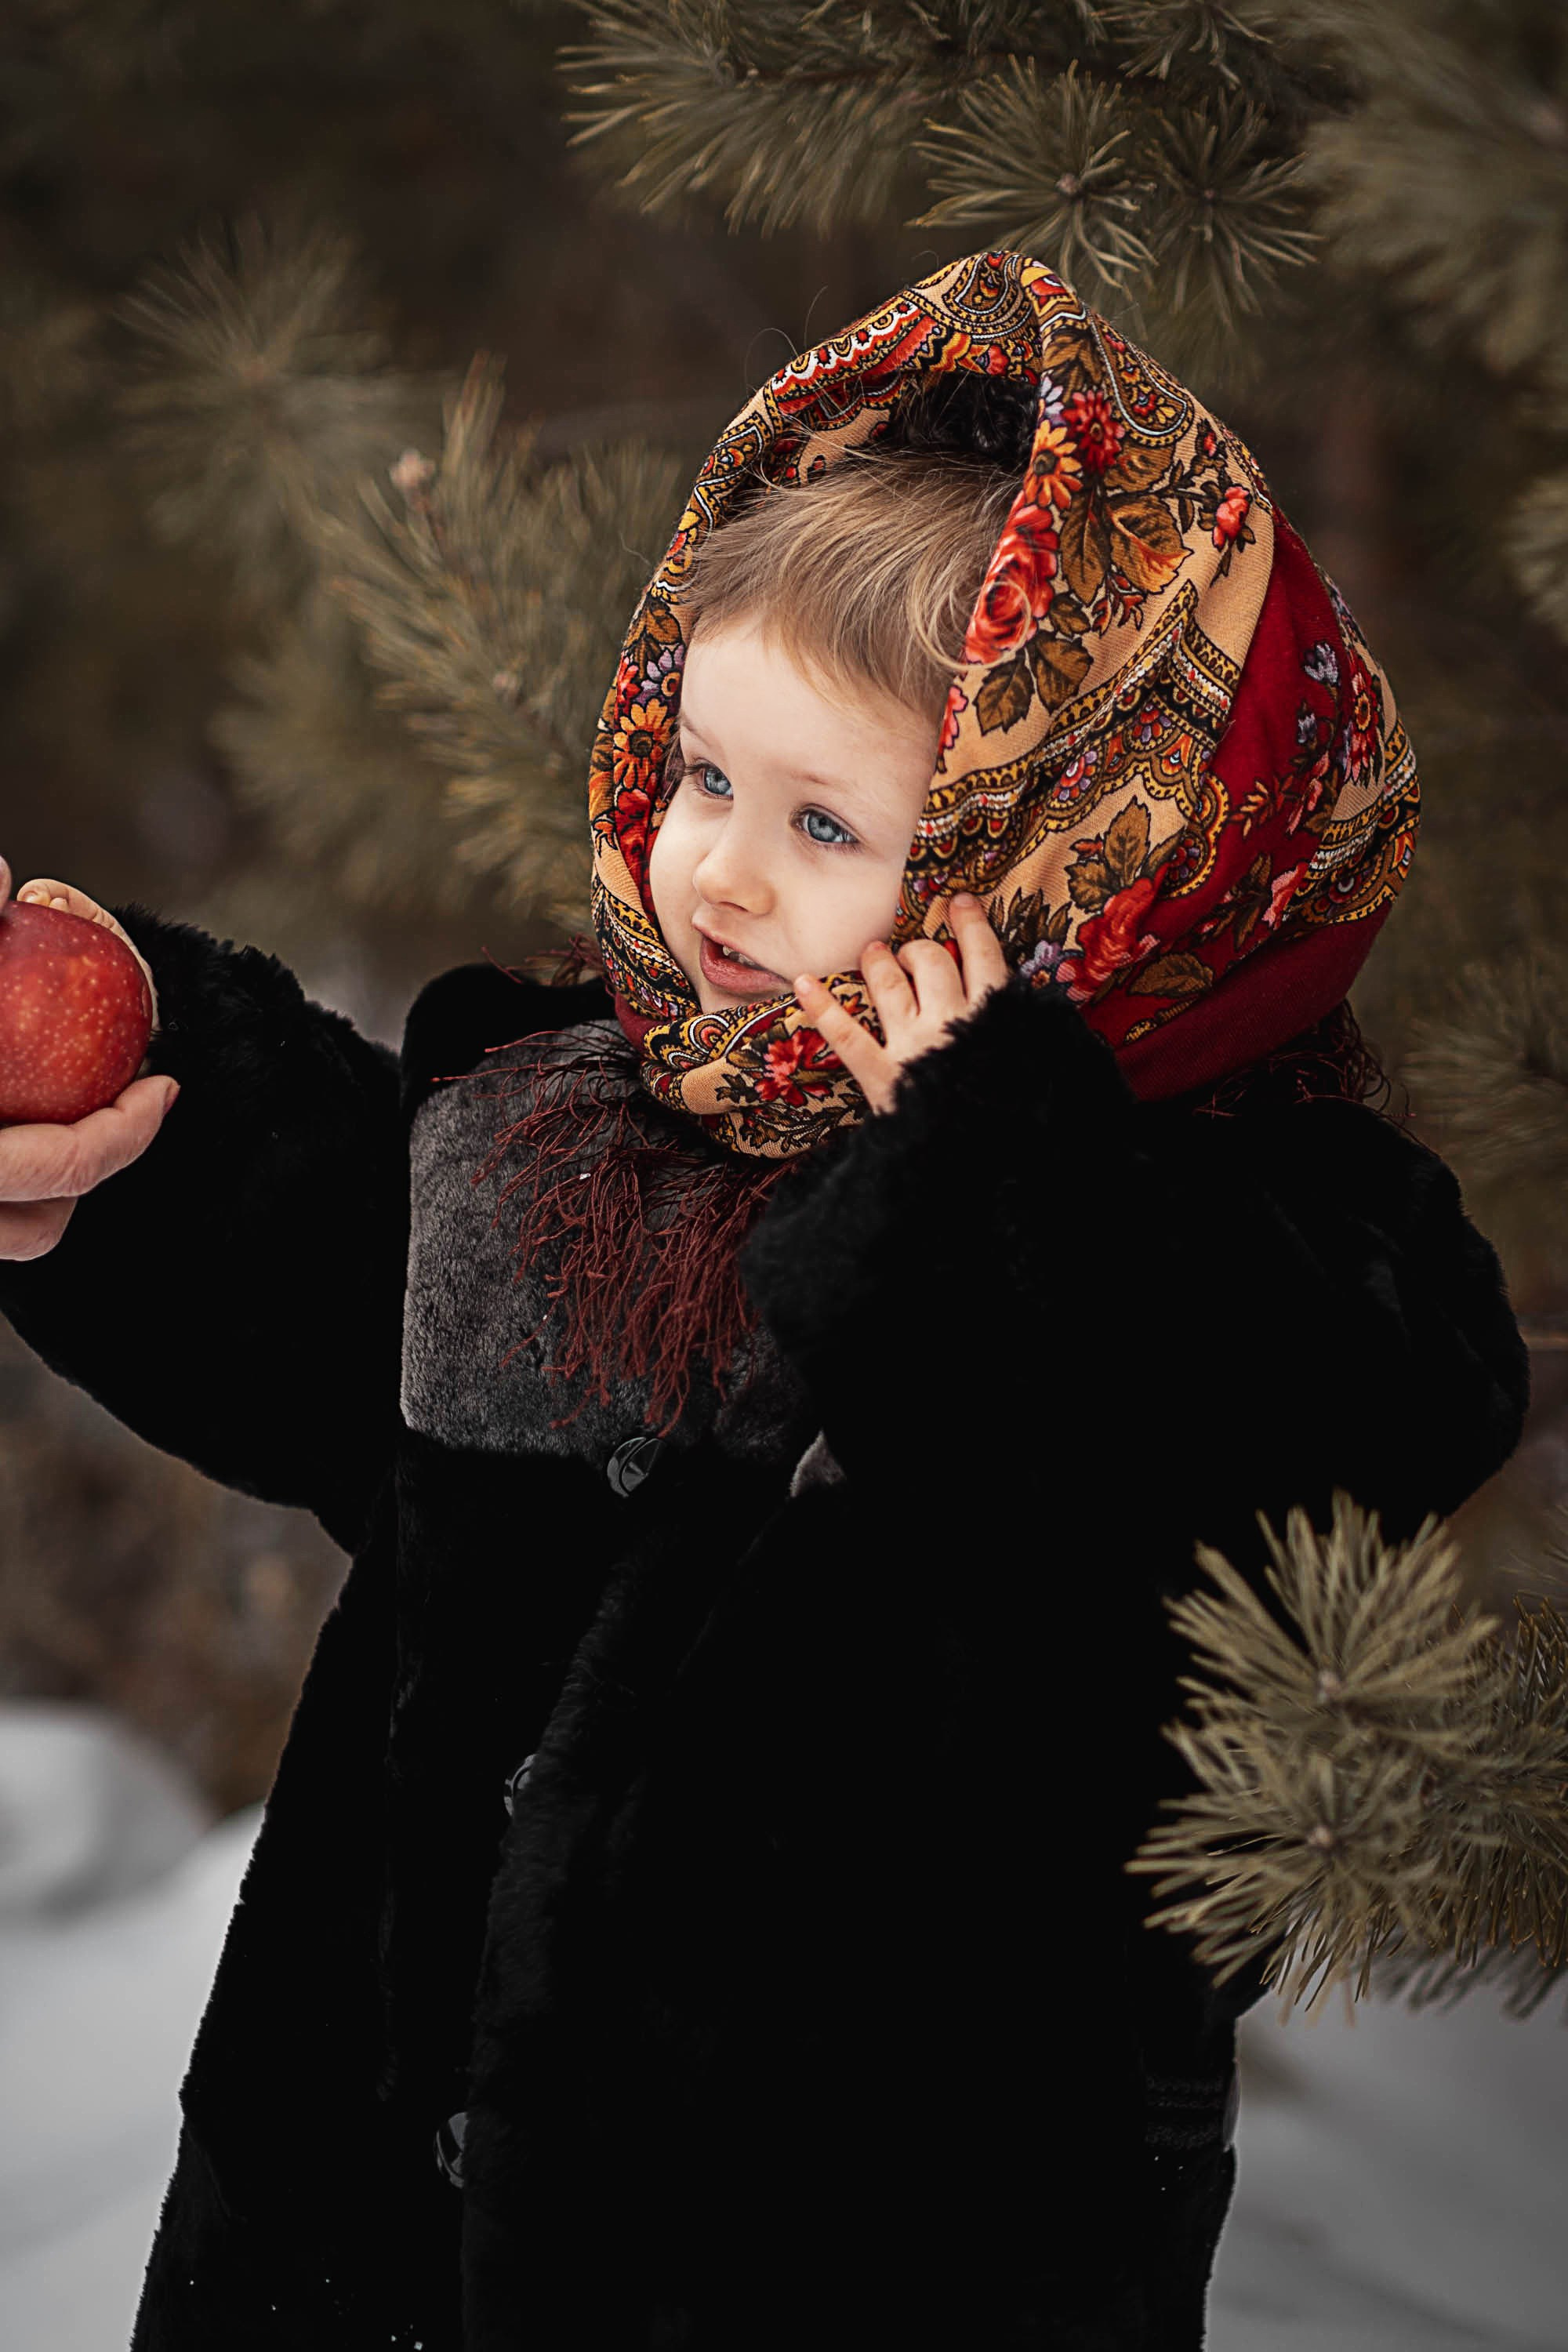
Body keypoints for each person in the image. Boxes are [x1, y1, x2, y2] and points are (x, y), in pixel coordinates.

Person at [0, 250, 1530, 2350]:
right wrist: (163, 1113)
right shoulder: (584, 1130)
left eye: (826, 819)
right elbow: (363, 1312)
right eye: (705, 775)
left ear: (1089, 860)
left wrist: (989, 1176)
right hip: (362, 2252)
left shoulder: (1257, 1245)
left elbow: (1234, 1469)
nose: (714, 870)